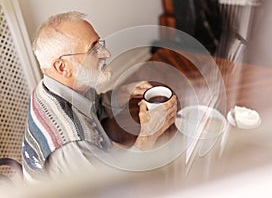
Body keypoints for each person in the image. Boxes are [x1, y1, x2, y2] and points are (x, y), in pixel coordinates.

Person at [22, 11, 177, 182]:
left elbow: (93, 108)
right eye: (93, 49)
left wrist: (122, 94)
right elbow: (115, 188)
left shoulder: (61, 85)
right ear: (62, 67)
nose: (106, 53)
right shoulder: (72, 144)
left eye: (99, 44)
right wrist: (149, 135)